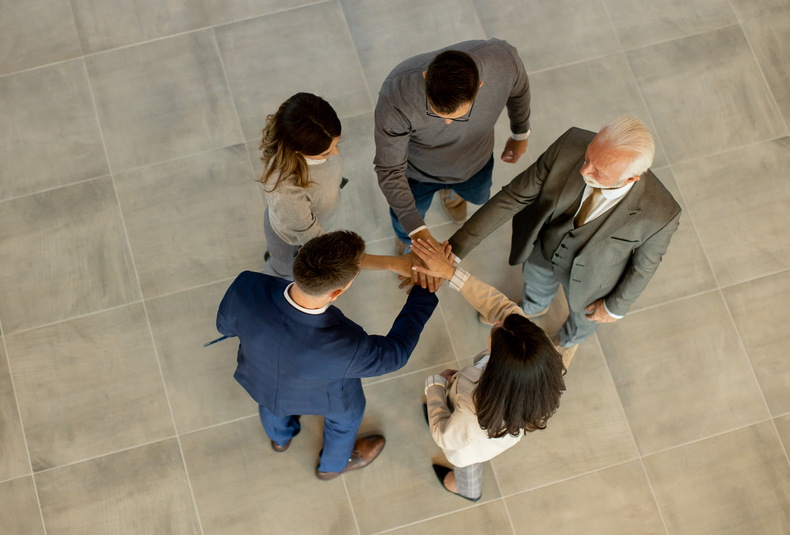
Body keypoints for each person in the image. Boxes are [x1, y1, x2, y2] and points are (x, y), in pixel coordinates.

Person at [447, 116, 681, 367]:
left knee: (583, 321)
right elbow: (513, 197)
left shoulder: (662, 214)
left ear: (630, 179)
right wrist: (455, 248)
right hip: (544, 249)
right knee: (535, 284)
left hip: (595, 281)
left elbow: (644, 267)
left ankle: (568, 342)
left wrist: (614, 307)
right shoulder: (571, 142)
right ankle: (533, 307)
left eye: (598, 171)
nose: (584, 170)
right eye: (587, 157)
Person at [216, 230, 438, 479]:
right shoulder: (347, 345)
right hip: (327, 399)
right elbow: (395, 354)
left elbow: (224, 326)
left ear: (300, 254)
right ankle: (331, 467)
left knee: (270, 406)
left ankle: (280, 439)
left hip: (261, 378)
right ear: (336, 293)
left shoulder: (246, 286)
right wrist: (423, 293)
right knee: (347, 419)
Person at [408, 239, 564, 501]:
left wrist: (436, 386)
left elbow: (445, 437)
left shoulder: (472, 409)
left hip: (472, 441)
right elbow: (501, 308)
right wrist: (449, 271)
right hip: (500, 428)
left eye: (495, 329)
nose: (496, 320)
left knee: (466, 461)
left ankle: (467, 488)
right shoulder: (535, 353)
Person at [373, 40, 531, 260]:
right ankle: (406, 242)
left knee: (478, 196)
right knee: (405, 220)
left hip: (475, 163)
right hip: (417, 174)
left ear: (480, 85)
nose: (447, 123)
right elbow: (389, 169)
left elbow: (519, 88)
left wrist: (520, 133)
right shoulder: (397, 95)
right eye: (437, 112)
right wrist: (417, 231)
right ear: (427, 76)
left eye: (457, 116)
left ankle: (454, 193)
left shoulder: (504, 61)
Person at [259, 93, 344, 279]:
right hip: (290, 242)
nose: (336, 152)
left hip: (307, 221)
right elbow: (319, 242)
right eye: (326, 153)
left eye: (336, 145)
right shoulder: (286, 192)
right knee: (283, 272)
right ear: (299, 150)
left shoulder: (316, 135)